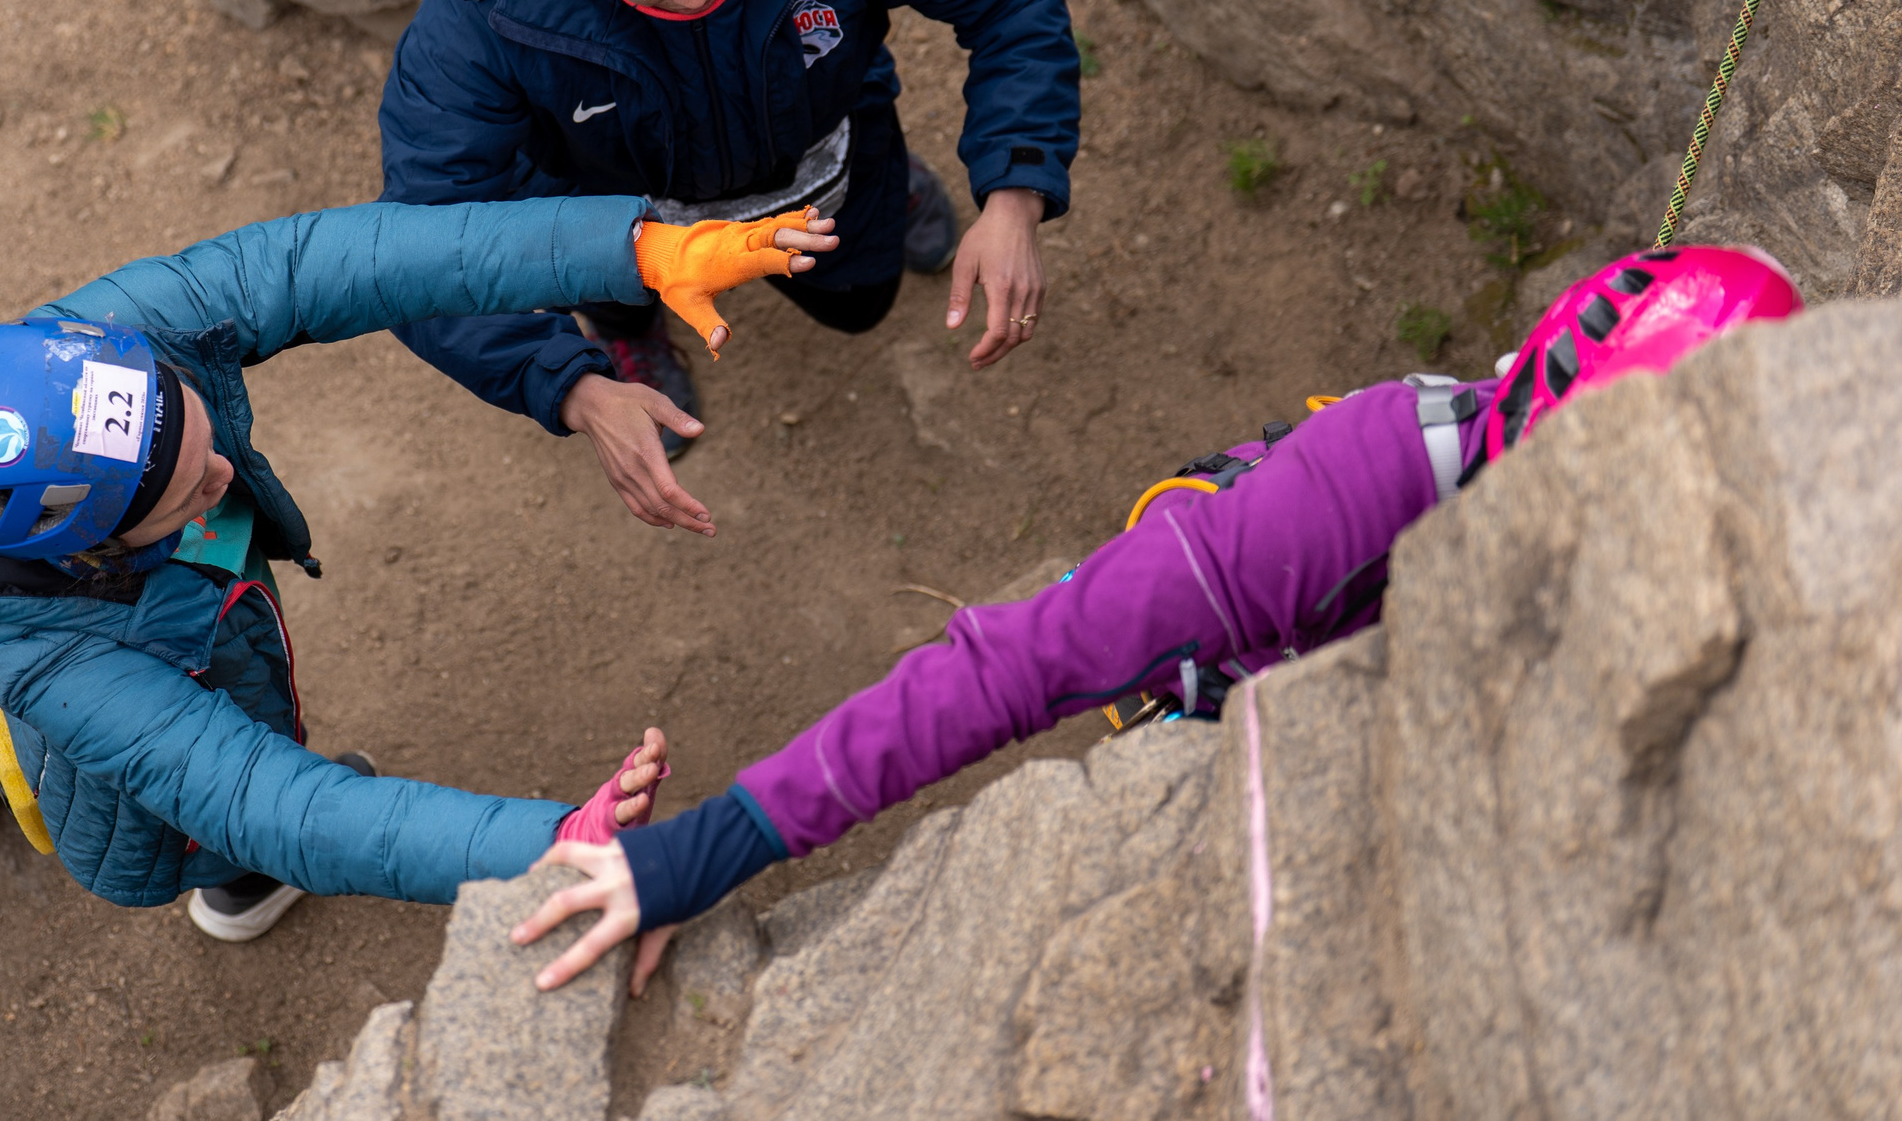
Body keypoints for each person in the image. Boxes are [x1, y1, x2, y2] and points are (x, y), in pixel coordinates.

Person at [509, 245, 1804, 987]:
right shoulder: (1344, 500)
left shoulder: (1629, 506)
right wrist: (718, 843)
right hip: (1251, 665)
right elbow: (1009, 665)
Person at [0, 193, 835, 941]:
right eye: (191, 495)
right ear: (92, 549)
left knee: (3, 717)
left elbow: (351, 259)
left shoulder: (102, 359)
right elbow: (277, 802)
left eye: (203, 437)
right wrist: (547, 844)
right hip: (147, 715)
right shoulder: (80, 672)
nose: (224, 475)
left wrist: (631, 248)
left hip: (47, 665)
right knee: (217, 805)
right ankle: (241, 895)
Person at [377, 0, 1081, 534]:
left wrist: (1015, 191)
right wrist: (572, 384)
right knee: (618, 299)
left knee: (858, 306)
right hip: (616, 215)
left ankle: (893, 188)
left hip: (823, 149)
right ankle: (627, 329)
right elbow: (419, 244)